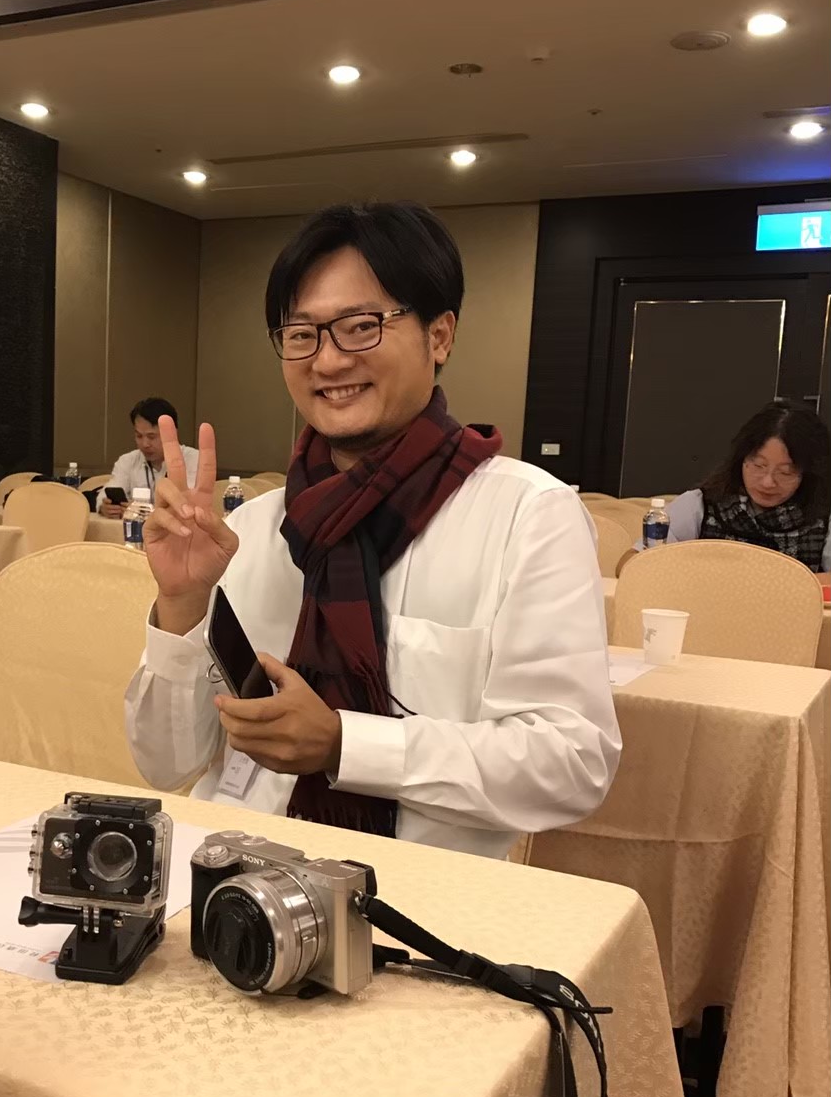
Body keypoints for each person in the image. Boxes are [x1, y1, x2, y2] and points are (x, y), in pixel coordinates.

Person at [125, 202, 620, 858]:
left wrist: (345, 745)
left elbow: (572, 762)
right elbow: (165, 763)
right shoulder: (249, 531)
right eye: (301, 334)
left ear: (439, 336)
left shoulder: (527, 516)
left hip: (416, 897)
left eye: (361, 327)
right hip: (231, 877)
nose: (327, 362)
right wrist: (183, 604)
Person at [636, 400, 831, 572]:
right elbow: (634, 562)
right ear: (741, 459)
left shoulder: (823, 517)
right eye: (758, 465)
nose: (767, 482)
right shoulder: (701, 505)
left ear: (809, 474)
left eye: (785, 472)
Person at [97, 397, 199, 517]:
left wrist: (145, 512)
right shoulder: (128, 461)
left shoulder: (193, 459)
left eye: (151, 437)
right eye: (139, 436)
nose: (145, 444)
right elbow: (106, 492)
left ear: (172, 433)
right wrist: (104, 506)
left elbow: (190, 505)